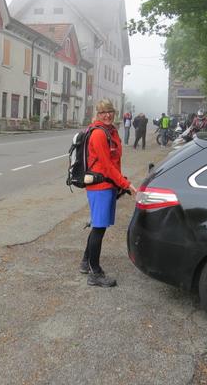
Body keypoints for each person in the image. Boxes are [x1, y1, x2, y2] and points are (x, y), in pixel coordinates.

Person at [80, 99, 136, 287]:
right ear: (97, 114)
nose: (108, 115)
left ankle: (85, 262)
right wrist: (126, 184)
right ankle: (95, 273)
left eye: (110, 111)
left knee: (98, 224)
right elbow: (106, 165)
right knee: (99, 228)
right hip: (100, 186)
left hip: (108, 184)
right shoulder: (98, 134)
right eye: (103, 112)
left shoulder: (111, 131)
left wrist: (119, 181)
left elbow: (114, 163)